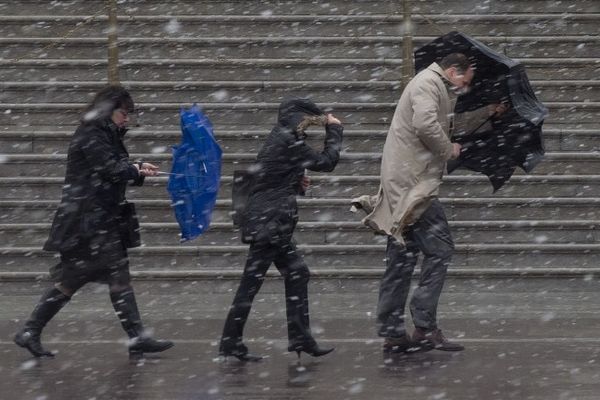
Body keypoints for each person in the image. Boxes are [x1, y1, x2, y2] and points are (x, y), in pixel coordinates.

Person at [353, 53, 503, 354]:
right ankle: (424, 326)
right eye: (463, 80)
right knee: (440, 248)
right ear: (451, 71)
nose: (464, 87)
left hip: (406, 183)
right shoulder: (428, 84)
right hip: (413, 185)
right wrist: (448, 149)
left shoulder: (433, 86)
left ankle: (393, 331)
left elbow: (445, 124)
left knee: (402, 256)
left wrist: (489, 112)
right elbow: (425, 125)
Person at [13, 86, 174, 360]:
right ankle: (136, 338)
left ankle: (31, 331)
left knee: (78, 279)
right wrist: (133, 169)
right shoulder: (91, 134)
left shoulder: (103, 133)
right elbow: (110, 170)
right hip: (87, 221)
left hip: (96, 219)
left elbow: (114, 166)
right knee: (109, 276)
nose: (126, 119)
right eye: (124, 113)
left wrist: (138, 168)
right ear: (109, 110)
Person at [219, 97, 343, 361]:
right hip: (270, 222)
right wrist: (334, 130)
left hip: (271, 220)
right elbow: (326, 162)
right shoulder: (288, 140)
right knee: (252, 284)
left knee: (296, 273)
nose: (308, 127)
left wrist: (296, 181)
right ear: (297, 119)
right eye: (308, 121)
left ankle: (297, 338)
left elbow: (270, 177)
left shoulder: (283, 138)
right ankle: (234, 341)